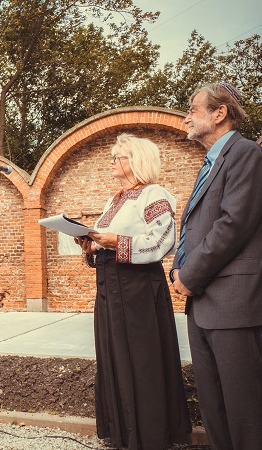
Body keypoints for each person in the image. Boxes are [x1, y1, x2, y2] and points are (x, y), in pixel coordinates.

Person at [75, 134, 191, 449]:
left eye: (118, 156)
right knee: (113, 353)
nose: (112, 161)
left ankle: (150, 436)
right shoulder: (114, 200)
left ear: (136, 161)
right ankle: (124, 432)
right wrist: (91, 246)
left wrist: (115, 241)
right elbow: (106, 244)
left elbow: (162, 242)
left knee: (142, 359)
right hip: (109, 287)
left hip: (137, 288)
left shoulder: (154, 194)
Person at [170, 82, 262, 450]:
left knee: (243, 410)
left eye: (193, 109)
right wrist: (176, 269)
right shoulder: (209, 163)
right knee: (214, 406)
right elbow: (192, 226)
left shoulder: (246, 154)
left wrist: (189, 275)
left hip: (233, 305)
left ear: (219, 113)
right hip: (203, 305)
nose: (186, 117)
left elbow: (233, 224)